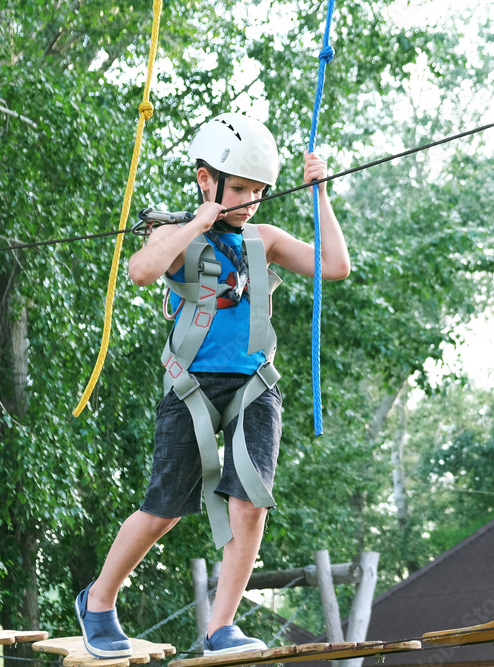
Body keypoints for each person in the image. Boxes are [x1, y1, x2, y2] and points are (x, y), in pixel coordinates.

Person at [74, 112, 351, 659]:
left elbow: (335, 266)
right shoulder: (176, 234)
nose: (249, 201)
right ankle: (99, 600)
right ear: (206, 179)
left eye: (257, 191)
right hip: (191, 386)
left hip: (254, 384)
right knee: (166, 508)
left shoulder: (264, 239)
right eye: (239, 189)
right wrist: (197, 223)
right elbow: (141, 270)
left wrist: (320, 193)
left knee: (251, 504)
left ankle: (221, 626)